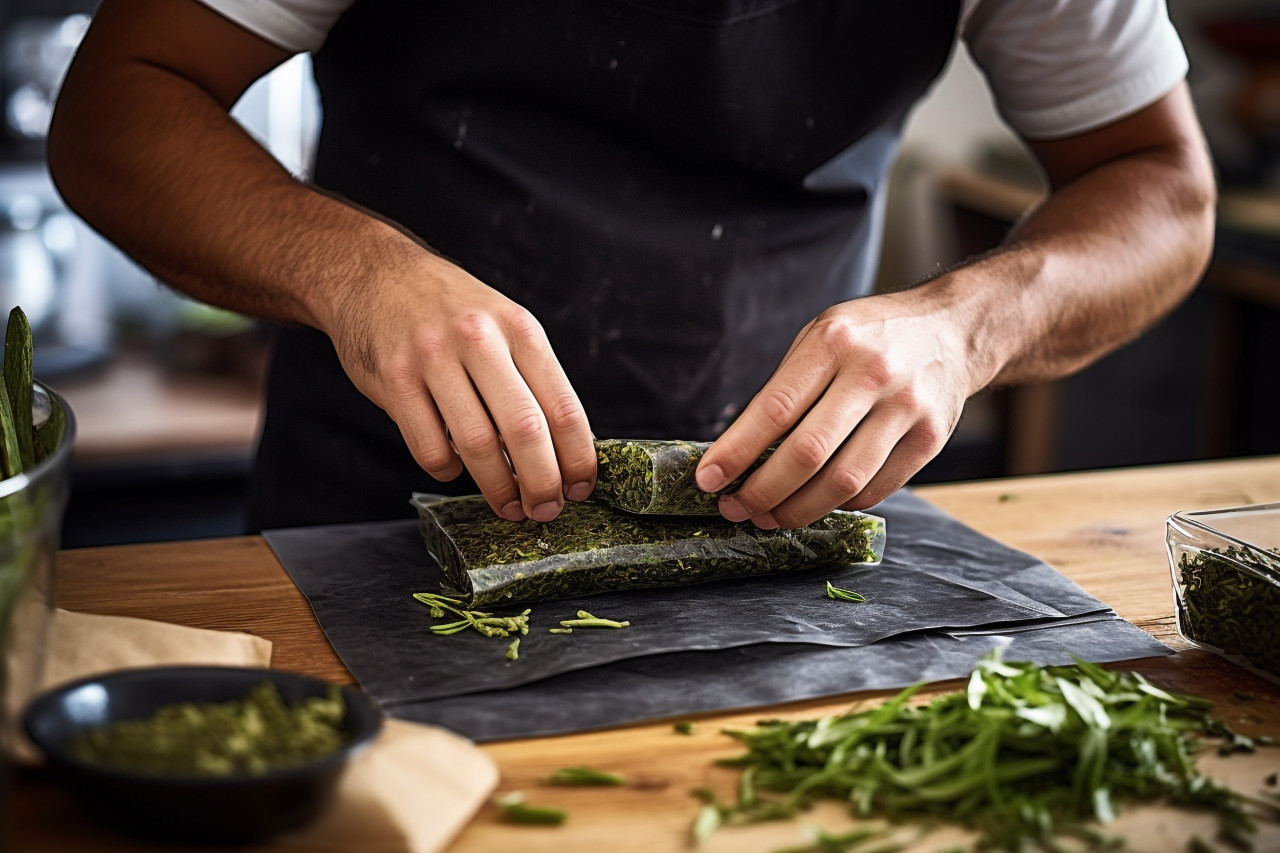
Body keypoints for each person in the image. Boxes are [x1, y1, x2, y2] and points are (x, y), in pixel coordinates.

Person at [47, 0, 1216, 532]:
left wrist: (964, 325)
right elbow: (118, 104)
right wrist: (358, 273)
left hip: (784, 530)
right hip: (372, 512)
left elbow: (1160, 187)